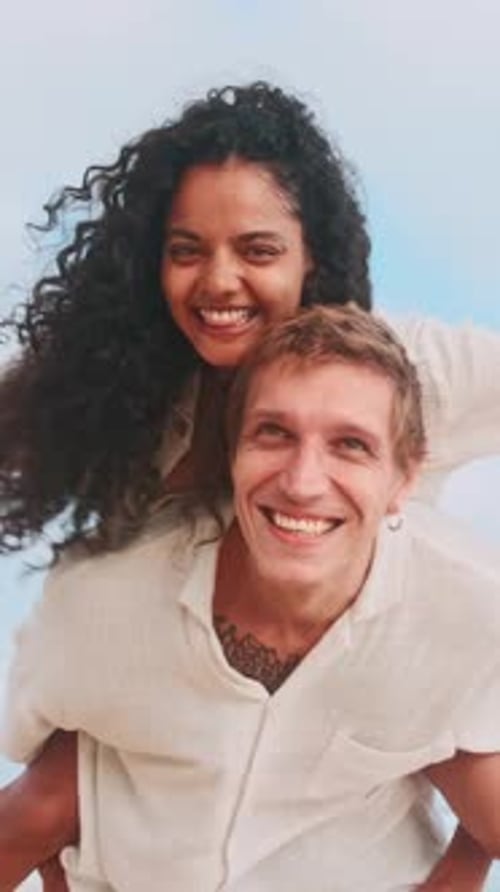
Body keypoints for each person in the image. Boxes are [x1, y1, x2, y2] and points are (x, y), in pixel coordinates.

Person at [1, 81, 500, 888]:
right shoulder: (139, 386)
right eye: (187, 248)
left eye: (258, 251)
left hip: (367, 652)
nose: (218, 281)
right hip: (181, 667)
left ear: (313, 260)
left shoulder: (403, 368)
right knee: (50, 799)